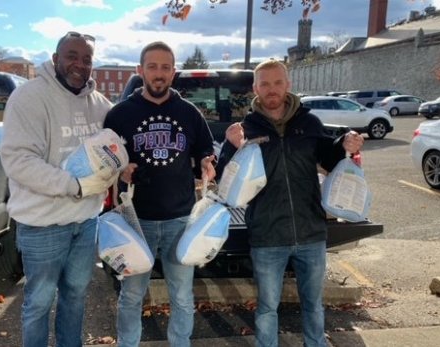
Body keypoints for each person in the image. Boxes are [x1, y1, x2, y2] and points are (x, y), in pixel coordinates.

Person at [217, 59, 364, 347]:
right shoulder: (245, 130)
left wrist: (346, 143)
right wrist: (230, 147)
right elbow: (225, 180)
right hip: (267, 235)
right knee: (267, 308)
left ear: (288, 84)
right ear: (255, 88)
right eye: (265, 84)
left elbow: (330, 159)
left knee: (313, 305)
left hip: (311, 232)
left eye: (277, 82)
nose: (272, 89)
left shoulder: (308, 123)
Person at [0, 31, 114, 347]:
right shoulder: (28, 98)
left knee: (75, 297)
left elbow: (113, 152)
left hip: (86, 221)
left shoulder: (100, 105)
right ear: (55, 59)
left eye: (87, 59)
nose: (79, 64)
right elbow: (18, 160)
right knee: (38, 302)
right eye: (72, 56)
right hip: (42, 225)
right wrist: (74, 186)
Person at [103, 41, 216, 347]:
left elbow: (205, 150)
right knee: (131, 297)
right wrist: (120, 169)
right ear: (140, 71)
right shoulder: (119, 114)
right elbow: (105, 161)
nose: (159, 73)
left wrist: (207, 162)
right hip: (135, 221)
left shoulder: (189, 112)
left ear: (173, 72)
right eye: (152, 66)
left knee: (181, 296)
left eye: (165, 67)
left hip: (180, 219)